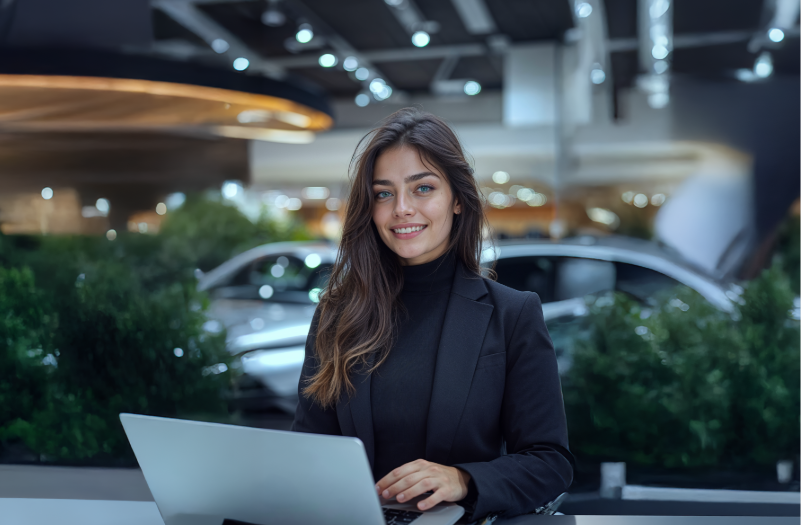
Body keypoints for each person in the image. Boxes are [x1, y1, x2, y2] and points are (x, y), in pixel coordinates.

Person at [291, 108, 573, 521]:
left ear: (457, 200)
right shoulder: (337, 315)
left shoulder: (511, 314)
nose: (402, 208)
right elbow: (309, 447)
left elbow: (551, 462)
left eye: (422, 188)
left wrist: (464, 480)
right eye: (384, 193)